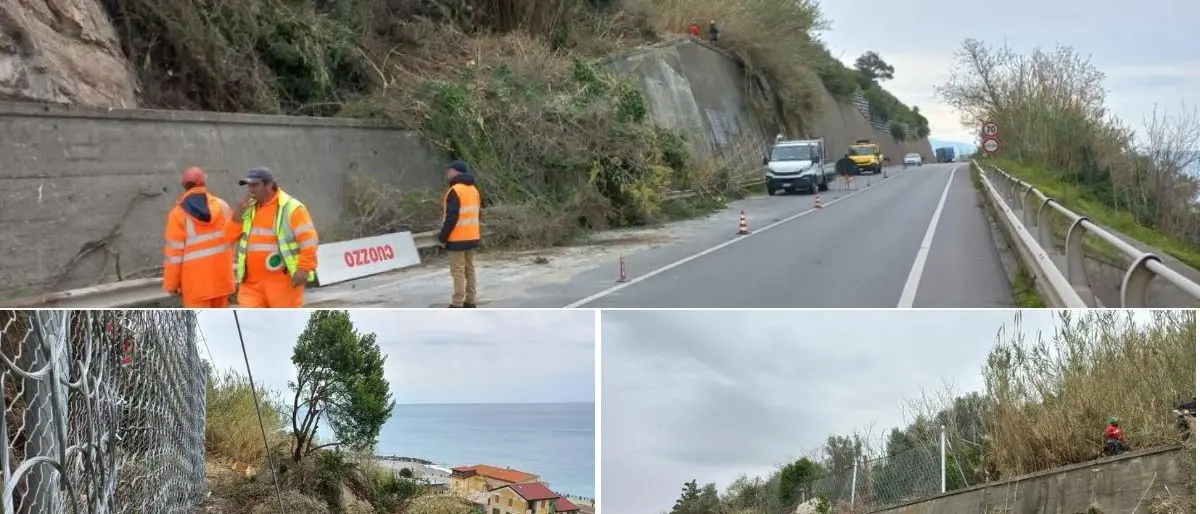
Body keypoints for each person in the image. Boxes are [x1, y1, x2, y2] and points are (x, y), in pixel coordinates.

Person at [226, 167, 319, 308]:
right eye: (248, 185)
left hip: (283, 283)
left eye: (255, 185)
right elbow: (230, 237)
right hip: (251, 285)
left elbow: (309, 241)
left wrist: (304, 268)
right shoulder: (247, 208)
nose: (250, 189)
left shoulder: (292, 208)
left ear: (269, 185)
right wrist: (237, 214)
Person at [161, 167, 236, 308]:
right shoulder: (222, 206)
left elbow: (174, 254)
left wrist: (172, 283)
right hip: (222, 280)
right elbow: (235, 235)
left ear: (184, 185)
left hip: (195, 286)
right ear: (204, 182)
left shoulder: (177, 214)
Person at [438, 160, 483, 308]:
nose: (447, 173)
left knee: (457, 272)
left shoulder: (455, 190)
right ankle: (471, 300)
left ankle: (457, 303)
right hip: (472, 236)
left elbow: (452, 217)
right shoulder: (474, 189)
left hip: (457, 238)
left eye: (449, 170)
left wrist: (443, 238)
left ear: (456, 172)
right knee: (470, 270)